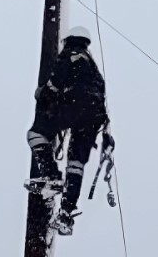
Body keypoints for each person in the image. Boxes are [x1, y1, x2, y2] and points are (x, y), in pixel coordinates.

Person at [26, 26, 114, 235]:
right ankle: (66, 213)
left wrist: (42, 94)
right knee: (75, 163)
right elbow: (101, 99)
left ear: (70, 40)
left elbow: (54, 83)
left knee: (36, 134)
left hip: (75, 106)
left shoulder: (70, 55)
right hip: (95, 120)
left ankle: (51, 176)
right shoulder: (93, 68)